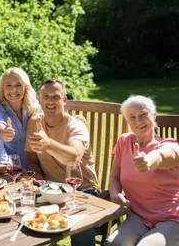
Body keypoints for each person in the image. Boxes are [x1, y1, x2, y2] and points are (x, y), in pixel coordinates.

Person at [27, 79, 100, 246]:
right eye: (46, 96)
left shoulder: (76, 126)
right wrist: (38, 179)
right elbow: (31, 160)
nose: (51, 101)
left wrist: (48, 143)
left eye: (56, 97)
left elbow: (74, 158)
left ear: (64, 100)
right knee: (23, 215)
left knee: (80, 225)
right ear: (39, 100)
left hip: (82, 190)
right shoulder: (35, 123)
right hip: (49, 190)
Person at [105, 95, 179, 246]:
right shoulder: (124, 141)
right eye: (132, 117)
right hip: (137, 216)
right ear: (127, 122)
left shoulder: (171, 146)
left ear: (154, 114)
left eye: (143, 115)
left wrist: (148, 162)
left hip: (172, 218)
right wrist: (114, 193)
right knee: (115, 244)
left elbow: (161, 156)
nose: (138, 121)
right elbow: (115, 178)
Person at [0, 67, 39, 172]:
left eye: (18, 85)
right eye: (8, 85)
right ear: (2, 88)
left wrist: (75, 119)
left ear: (25, 87)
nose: (13, 90)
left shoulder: (33, 106)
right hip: (9, 168)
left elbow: (51, 117)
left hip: (34, 166)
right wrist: (5, 132)